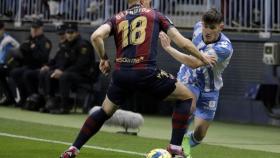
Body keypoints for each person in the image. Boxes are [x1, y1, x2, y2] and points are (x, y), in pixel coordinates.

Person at [60, 0, 215, 157]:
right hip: (146, 72)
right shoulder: (156, 15)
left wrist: (104, 58)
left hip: (121, 74)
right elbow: (183, 43)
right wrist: (202, 56)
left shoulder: (116, 17)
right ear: (142, 1)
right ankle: (175, 148)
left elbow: (96, 36)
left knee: (105, 111)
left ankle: (74, 148)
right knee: (186, 96)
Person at [159, 8, 233, 157]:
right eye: (206, 26)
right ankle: (175, 148)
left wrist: (168, 48)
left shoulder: (223, 48)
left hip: (210, 88)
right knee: (189, 105)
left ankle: (185, 141)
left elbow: (193, 62)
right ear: (201, 23)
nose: (207, 31)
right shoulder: (198, 27)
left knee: (200, 134)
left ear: (221, 27)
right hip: (189, 77)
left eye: (212, 28)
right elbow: (190, 64)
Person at [49, 22, 96, 114]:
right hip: (72, 73)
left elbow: (81, 65)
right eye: (68, 32)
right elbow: (64, 62)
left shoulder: (83, 44)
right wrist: (58, 70)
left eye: (72, 32)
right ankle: (51, 103)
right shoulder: (67, 45)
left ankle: (64, 107)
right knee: (51, 73)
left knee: (64, 76)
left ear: (77, 33)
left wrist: (62, 72)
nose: (69, 35)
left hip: (85, 75)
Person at [10, 19, 52, 108]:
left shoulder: (45, 41)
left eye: (36, 28)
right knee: (15, 72)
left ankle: (34, 99)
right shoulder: (29, 39)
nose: (34, 30)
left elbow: (42, 57)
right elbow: (22, 51)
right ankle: (23, 97)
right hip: (28, 65)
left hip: (38, 66)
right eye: (33, 28)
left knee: (26, 74)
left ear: (41, 29)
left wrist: (32, 49)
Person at [0, 21, 20, 105]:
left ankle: (10, 97)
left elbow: (20, 52)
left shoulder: (8, 40)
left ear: (3, 30)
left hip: (12, 65)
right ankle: (9, 97)